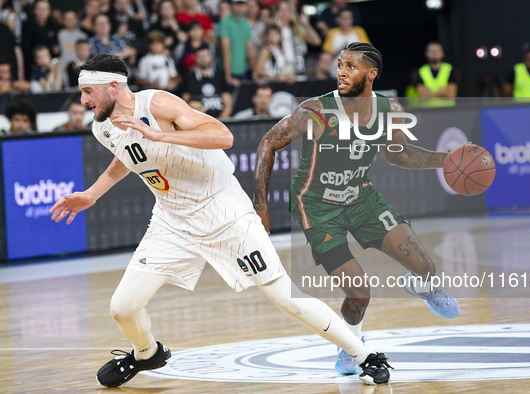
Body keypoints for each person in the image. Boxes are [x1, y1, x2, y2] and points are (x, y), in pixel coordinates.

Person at [48, 53, 391, 387]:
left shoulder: (157, 105)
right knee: (123, 308)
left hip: (224, 210)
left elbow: (223, 136)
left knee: (285, 297)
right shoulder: (102, 127)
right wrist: (92, 193)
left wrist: (159, 134)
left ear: (112, 87)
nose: (83, 100)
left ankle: (364, 356)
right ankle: (147, 352)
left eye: (87, 92)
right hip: (172, 219)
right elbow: (128, 155)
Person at [254, 42, 460, 375]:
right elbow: (267, 143)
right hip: (317, 206)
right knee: (359, 293)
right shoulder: (316, 110)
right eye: (340, 65)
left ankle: (421, 286)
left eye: (351, 66)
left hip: (360, 197)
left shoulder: (388, 108)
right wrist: (260, 206)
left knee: (425, 267)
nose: (341, 72)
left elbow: (398, 154)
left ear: (371, 73)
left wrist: (445, 160)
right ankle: (351, 347)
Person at [181, 46, 233, 118]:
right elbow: (185, 105)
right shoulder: (188, 78)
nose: (203, 59)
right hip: (198, 123)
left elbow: (228, 105)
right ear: (195, 58)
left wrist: (218, 124)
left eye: (206, 56)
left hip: (219, 122)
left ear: (211, 57)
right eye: (200, 56)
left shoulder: (220, 77)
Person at [218, 0, 257, 88]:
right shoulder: (224, 22)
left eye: (242, 4)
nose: (240, 6)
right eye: (237, 4)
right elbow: (225, 51)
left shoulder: (245, 23)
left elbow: (250, 51)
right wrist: (228, 76)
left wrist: (256, 74)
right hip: (226, 72)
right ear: (232, 5)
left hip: (242, 71)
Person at [322, 7, 370, 75]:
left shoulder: (359, 31)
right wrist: (341, 49)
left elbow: (367, 51)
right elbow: (326, 55)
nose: (347, 21)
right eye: (344, 18)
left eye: (350, 18)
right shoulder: (332, 33)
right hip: (336, 72)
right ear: (338, 19)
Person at [417, 42, 458, 107]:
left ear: (442, 53)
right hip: (428, 111)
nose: (434, 54)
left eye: (437, 51)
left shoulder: (449, 69)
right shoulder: (422, 71)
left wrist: (430, 94)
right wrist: (440, 93)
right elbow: (423, 97)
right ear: (426, 54)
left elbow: (451, 95)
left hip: (447, 111)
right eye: (431, 51)